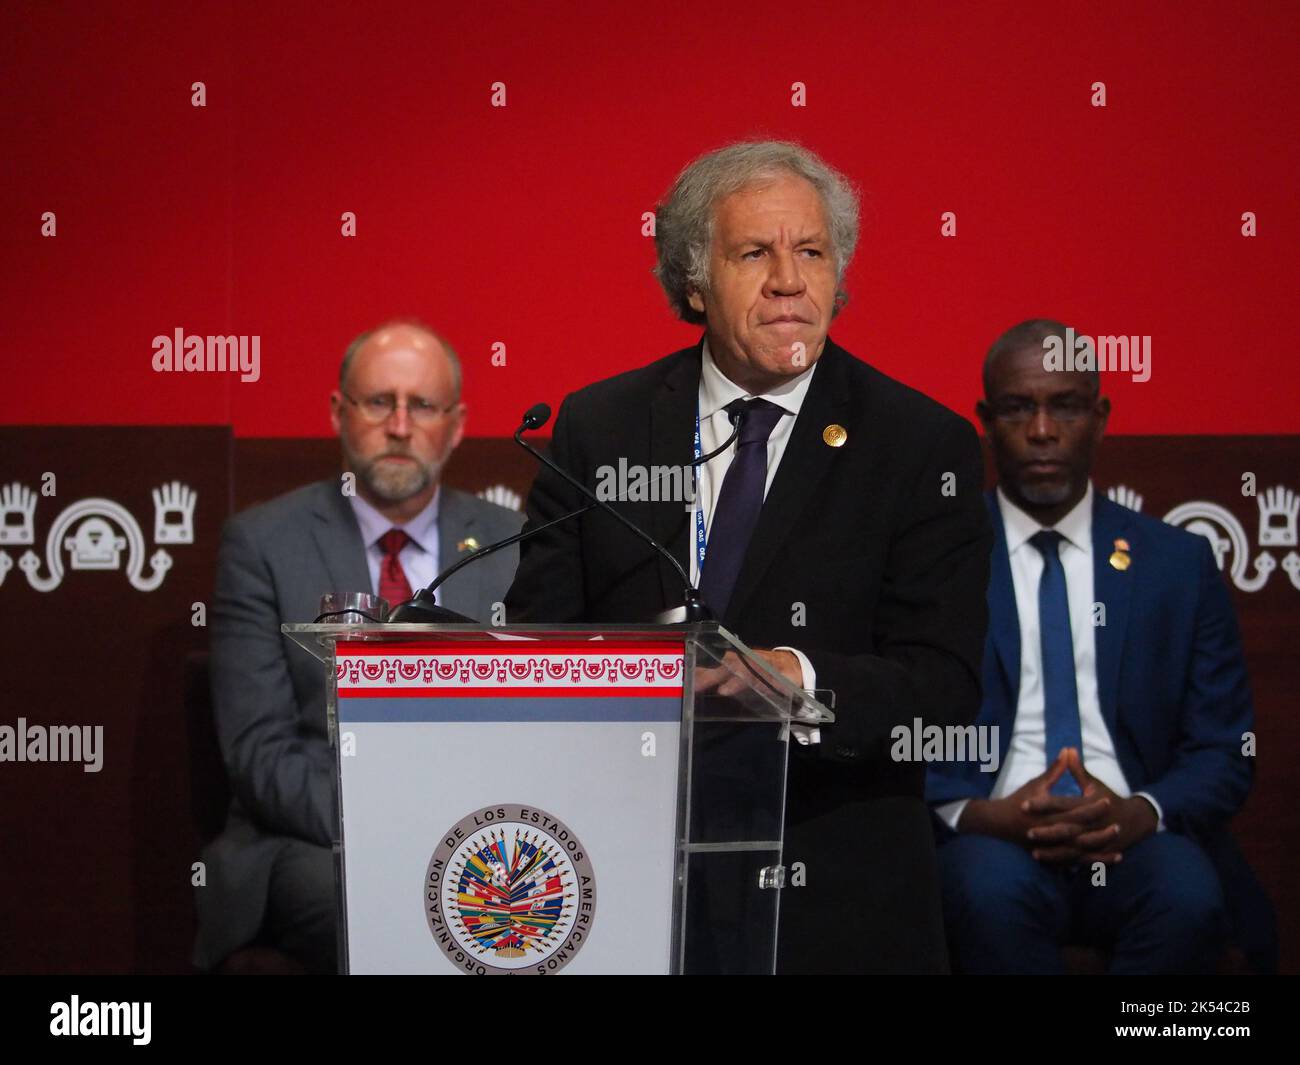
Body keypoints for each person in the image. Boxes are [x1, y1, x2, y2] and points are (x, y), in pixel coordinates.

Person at [504, 141, 992, 973]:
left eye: (811, 252)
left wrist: (791, 678)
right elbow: (539, 642)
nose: (789, 280)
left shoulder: (919, 444)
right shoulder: (601, 427)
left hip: (832, 878)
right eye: (754, 253)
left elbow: (942, 692)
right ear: (694, 281)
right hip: (625, 866)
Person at [925, 319, 1273, 974]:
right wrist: (981, 812)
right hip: (989, 836)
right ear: (985, 419)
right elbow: (894, 725)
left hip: (1138, 834)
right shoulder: (938, 557)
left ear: (1101, 415)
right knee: (982, 892)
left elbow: (1225, 750)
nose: (1042, 431)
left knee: (1192, 896)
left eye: (1065, 405)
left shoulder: (1178, 563)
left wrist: (1140, 811)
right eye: (1018, 407)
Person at [194, 320, 523, 973]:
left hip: (478, 833)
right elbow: (260, 752)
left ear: (456, 425)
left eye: (422, 405)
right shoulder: (262, 543)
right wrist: (396, 828)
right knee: (378, 897)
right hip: (311, 842)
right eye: (378, 402)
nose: (399, 426)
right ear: (338, 413)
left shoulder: (514, 541)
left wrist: (457, 833)